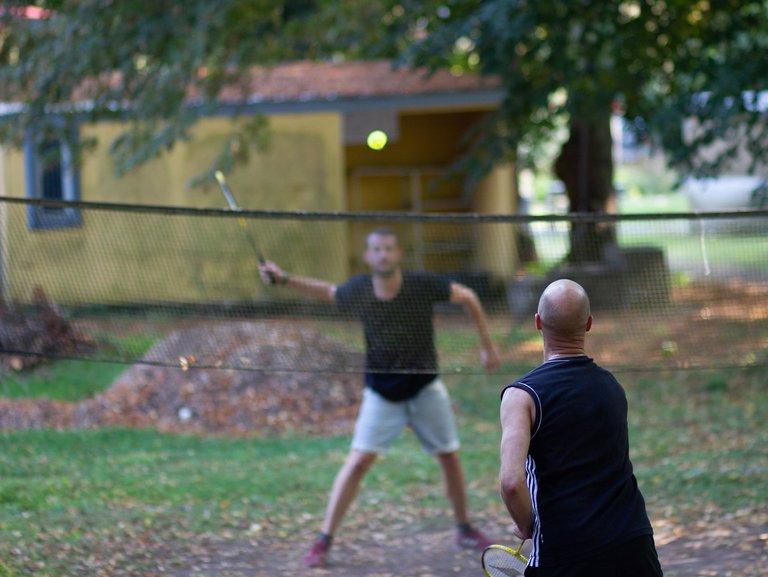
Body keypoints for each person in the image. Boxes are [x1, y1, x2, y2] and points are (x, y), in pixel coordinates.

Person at [258, 227, 501, 568]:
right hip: (382, 393)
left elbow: (470, 298)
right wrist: (284, 278)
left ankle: (464, 528)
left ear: (397, 254)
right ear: (369, 256)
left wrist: (488, 348)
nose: (383, 254)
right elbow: (327, 291)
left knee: (450, 457)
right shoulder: (359, 290)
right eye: (376, 249)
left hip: (424, 388)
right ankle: (323, 539)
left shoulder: (420, 285)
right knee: (357, 462)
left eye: (388, 248)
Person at [498, 279, 663, 577]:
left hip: (566, 552)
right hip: (634, 544)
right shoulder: (612, 386)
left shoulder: (521, 396)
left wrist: (526, 526)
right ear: (588, 324)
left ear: (538, 323)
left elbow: (511, 483)